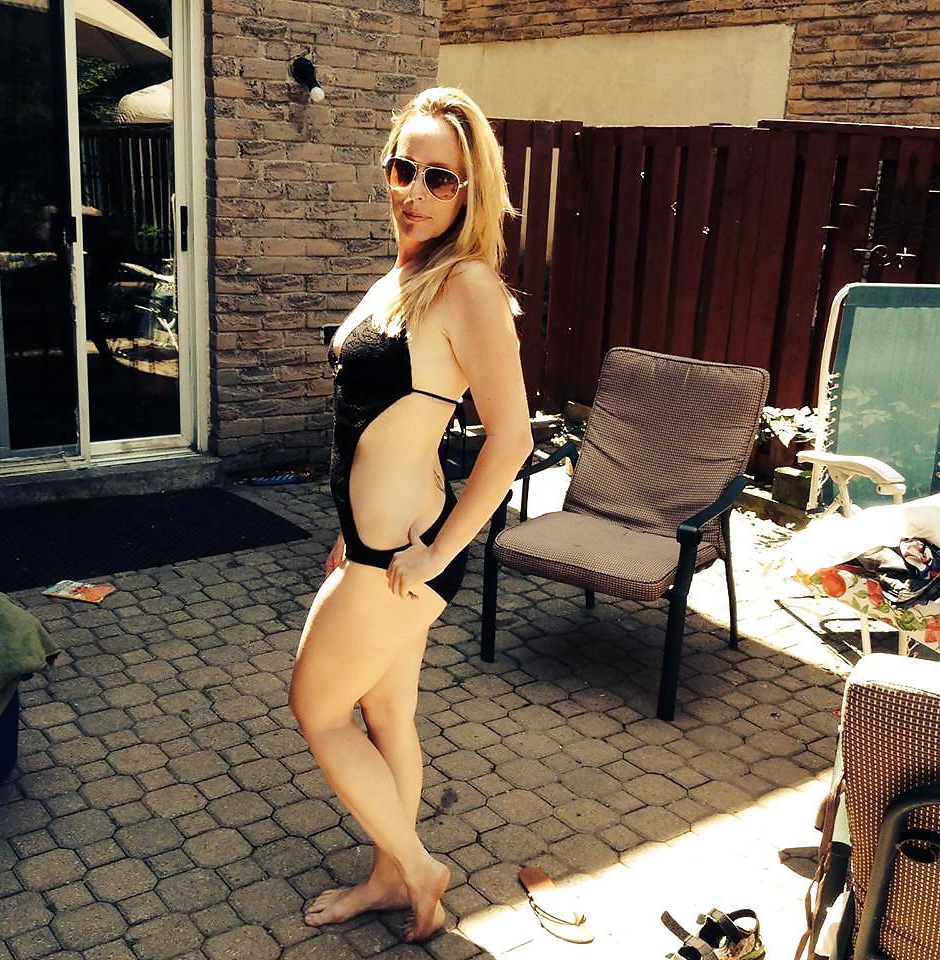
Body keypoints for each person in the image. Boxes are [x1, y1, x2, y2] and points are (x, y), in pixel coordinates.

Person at [288, 86, 534, 943]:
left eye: (440, 178)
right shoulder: (404, 278)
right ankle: (392, 877)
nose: (416, 192)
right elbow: (380, 426)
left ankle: (421, 867)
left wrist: (436, 552)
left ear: (470, 191)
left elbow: (511, 438)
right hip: (374, 544)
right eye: (405, 169)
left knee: (317, 708)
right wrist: (345, 525)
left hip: (398, 559)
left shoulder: (467, 285)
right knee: (387, 715)